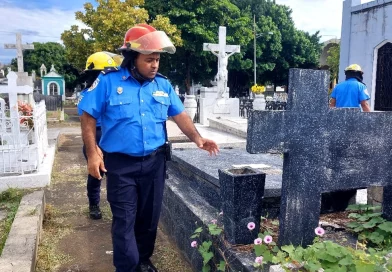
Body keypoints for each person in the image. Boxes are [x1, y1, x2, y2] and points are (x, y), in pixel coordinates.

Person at [78, 24, 219, 272]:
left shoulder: (162, 85)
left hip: (154, 163)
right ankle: (128, 267)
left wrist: (197, 138)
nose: (155, 65)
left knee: (149, 219)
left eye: (157, 60)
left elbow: (179, 114)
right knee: (124, 221)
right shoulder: (108, 82)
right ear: (133, 58)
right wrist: (92, 152)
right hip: (121, 165)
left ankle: (143, 260)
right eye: (149, 60)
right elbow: (88, 115)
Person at [77, 51, 123, 220]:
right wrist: (94, 149)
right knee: (96, 174)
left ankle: (117, 205)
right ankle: (94, 205)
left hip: (111, 135)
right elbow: (86, 125)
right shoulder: (86, 94)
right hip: (95, 136)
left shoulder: (113, 91)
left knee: (116, 174)